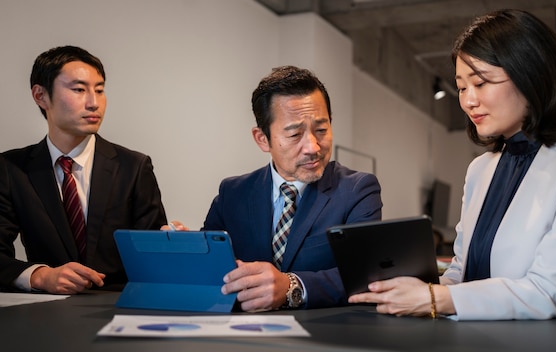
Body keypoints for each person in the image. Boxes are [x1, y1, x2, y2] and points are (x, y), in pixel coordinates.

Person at [349, 9, 556, 320]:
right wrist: (410, 290)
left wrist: (435, 298)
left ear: (531, 75)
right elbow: (463, 272)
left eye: (480, 83)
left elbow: (553, 291)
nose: (468, 101)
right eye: (462, 87)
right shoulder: (481, 169)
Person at [200, 65, 383, 312]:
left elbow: (366, 275)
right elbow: (208, 265)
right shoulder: (232, 194)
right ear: (262, 139)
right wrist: (184, 248)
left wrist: (291, 286)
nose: (313, 147)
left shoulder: (357, 190)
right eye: (295, 135)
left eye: (321, 130)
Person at [0, 46, 168, 294]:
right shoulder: (12, 169)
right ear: (40, 96)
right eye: (79, 90)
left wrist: (171, 245)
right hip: (43, 311)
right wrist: (39, 275)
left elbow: (153, 258)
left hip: (117, 306)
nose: (94, 102)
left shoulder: (134, 166)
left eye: (99, 90)